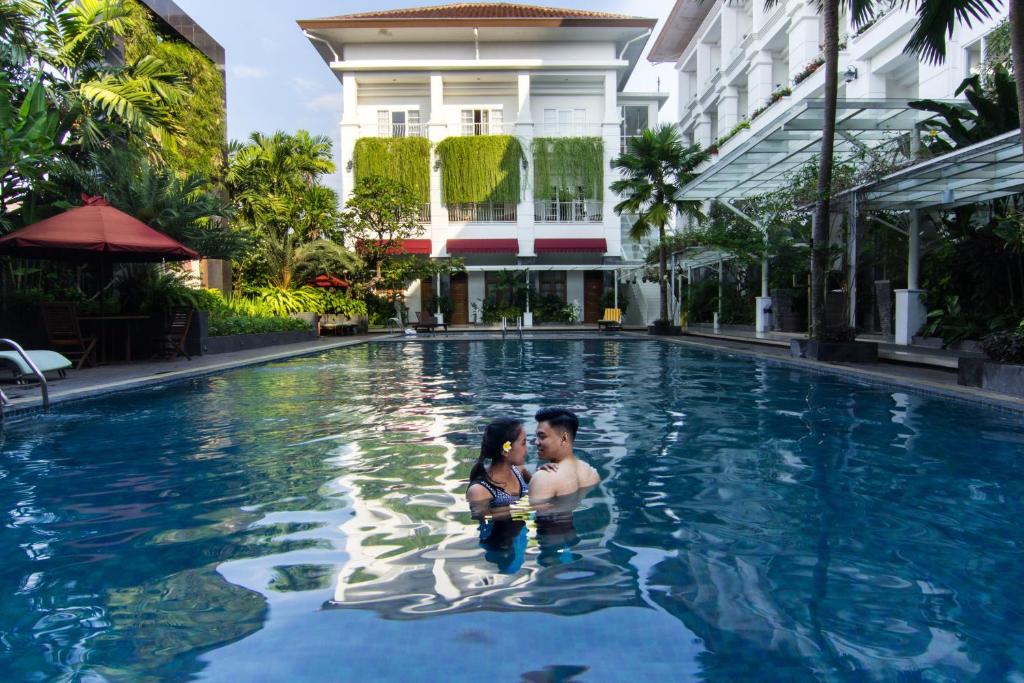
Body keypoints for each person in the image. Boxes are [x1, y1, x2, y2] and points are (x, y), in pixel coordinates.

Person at [529, 407, 600, 502]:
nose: (536, 442)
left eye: (542, 436)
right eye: (537, 436)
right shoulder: (592, 473)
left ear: (564, 438)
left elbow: (526, 512)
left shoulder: (544, 478)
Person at [466, 417, 533, 510]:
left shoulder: (520, 471)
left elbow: (540, 485)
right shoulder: (479, 491)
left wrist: (547, 471)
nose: (526, 449)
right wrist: (522, 508)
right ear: (505, 451)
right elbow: (483, 516)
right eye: (523, 443)